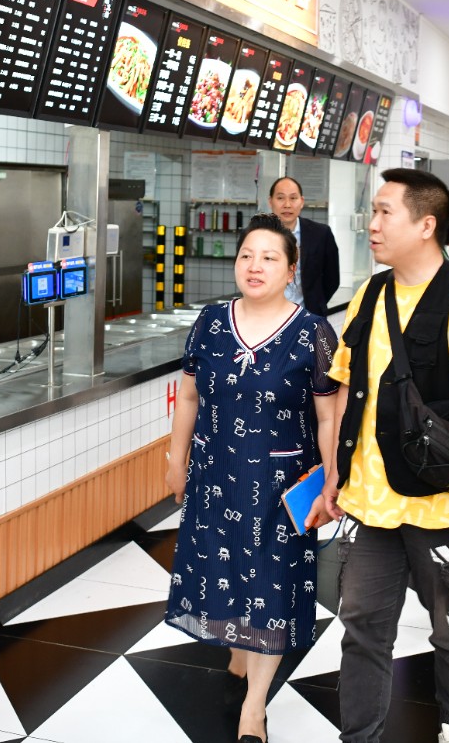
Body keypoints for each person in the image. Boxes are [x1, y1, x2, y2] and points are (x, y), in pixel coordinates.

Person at [314, 169, 449, 743]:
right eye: (373, 212)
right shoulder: (371, 292)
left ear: (426, 225)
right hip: (371, 506)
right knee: (362, 629)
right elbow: (344, 388)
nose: (372, 224)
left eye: (385, 212)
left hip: (446, 506)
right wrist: (335, 475)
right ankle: (360, 736)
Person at [164, 215, 340, 743]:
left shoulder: (312, 332)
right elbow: (189, 396)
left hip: (280, 484)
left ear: (291, 269)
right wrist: (176, 459)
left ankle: (254, 708)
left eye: (269, 257)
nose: (255, 266)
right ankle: (240, 647)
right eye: (246, 255)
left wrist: (331, 479)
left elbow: (329, 416)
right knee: (224, 568)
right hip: (215, 473)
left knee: (271, 585)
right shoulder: (211, 321)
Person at [268, 176, 340, 315]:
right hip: (268, 315)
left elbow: (332, 279)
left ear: (301, 202)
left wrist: (316, 303)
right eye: (280, 198)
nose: (287, 204)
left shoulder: (321, 233)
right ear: (270, 201)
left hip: (308, 315)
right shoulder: (256, 235)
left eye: (293, 198)